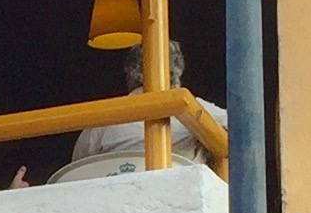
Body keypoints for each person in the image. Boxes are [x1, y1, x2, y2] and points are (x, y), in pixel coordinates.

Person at [66, 42, 227, 178]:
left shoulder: (103, 117)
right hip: (181, 191)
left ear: (129, 76)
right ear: (177, 72)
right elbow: (241, 130)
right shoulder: (192, 106)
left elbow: (78, 167)